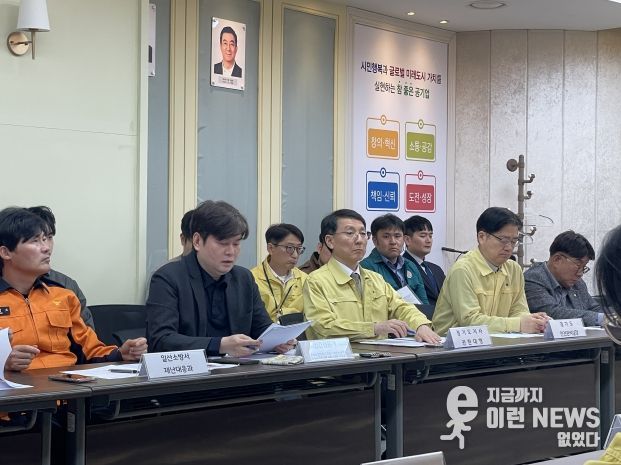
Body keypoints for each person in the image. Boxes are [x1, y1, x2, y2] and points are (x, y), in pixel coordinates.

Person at [0, 207, 147, 371]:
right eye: (35, 241)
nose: (46, 248)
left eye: (46, 239)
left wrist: (120, 354)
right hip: (17, 386)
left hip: (67, 383)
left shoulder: (63, 295)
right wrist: (3, 362)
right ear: (6, 253)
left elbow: (90, 351)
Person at [146, 200, 295, 356]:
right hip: (190, 370)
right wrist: (219, 345)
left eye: (236, 244)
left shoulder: (243, 279)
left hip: (241, 369)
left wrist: (278, 340)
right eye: (223, 243)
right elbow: (161, 340)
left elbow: (261, 328)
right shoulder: (168, 278)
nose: (231, 252)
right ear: (197, 241)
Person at [303, 209, 441, 343]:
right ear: (330, 241)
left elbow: (402, 307)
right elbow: (322, 326)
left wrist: (421, 325)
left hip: (380, 355)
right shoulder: (316, 281)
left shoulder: (375, 279)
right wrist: (374, 328)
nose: (359, 240)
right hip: (342, 357)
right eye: (350, 233)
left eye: (363, 233)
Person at [432, 207, 549, 336]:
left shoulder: (514, 269)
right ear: (482, 237)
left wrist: (534, 321)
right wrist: (519, 324)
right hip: (453, 344)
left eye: (514, 241)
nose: (509, 247)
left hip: (498, 341)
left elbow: (518, 310)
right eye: (503, 240)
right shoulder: (463, 270)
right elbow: (470, 322)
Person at [26, 206, 96, 329]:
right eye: (35, 240)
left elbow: (88, 336)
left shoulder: (66, 285)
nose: (46, 247)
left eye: (49, 238)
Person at [525, 230, 602, 326]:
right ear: (557, 260)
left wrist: (612, 317)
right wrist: (600, 318)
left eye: (584, 267)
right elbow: (551, 313)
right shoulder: (533, 279)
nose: (580, 273)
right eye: (578, 265)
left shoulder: (577, 282)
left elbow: (593, 308)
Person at [360, 214, 428, 305]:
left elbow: (424, 303)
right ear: (375, 241)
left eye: (397, 236)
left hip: (415, 313)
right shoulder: (366, 267)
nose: (393, 242)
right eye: (386, 236)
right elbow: (372, 305)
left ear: (404, 239)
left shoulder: (410, 265)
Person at [250, 223, 307, 322]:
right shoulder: (252, 279)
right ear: (271, 248)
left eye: (299, 249)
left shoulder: (305, 279)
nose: (295, 255)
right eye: (290, 248)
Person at [403, 215, 446, 306]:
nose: (428, 240)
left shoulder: (436, 269)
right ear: (407, 240)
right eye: (423, 236)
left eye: (430, 236)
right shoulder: (400, 267)